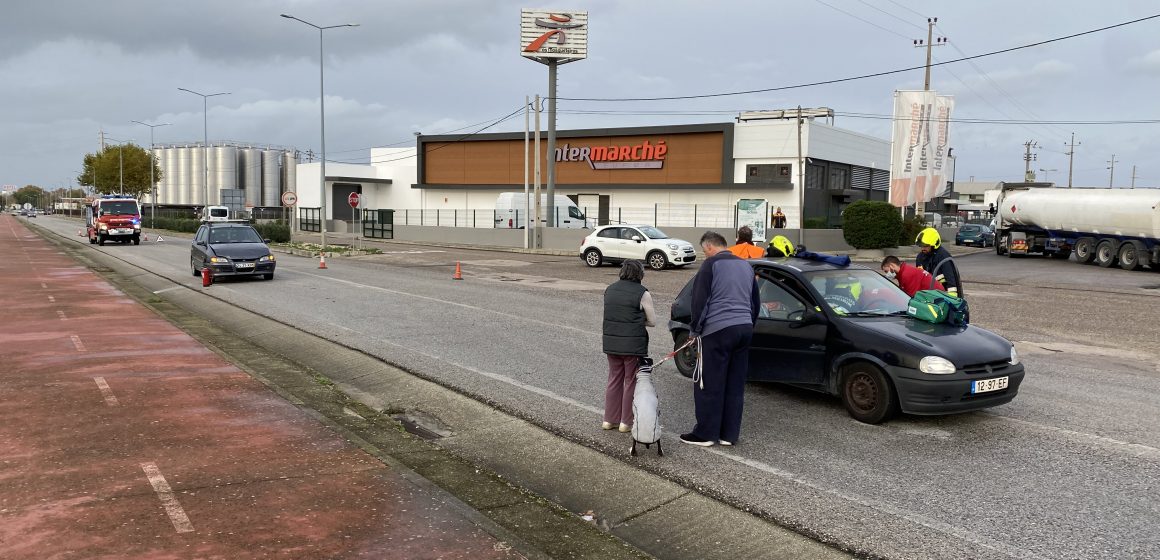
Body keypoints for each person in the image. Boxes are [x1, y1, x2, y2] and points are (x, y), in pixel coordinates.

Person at [681, 231, 760, 447]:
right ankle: (728, 434)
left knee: (709, 382)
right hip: (744, 328)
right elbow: (755, 302)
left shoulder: (710, 265)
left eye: (704, 252)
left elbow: (700, 301)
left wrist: (694, 331)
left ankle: (706, 434)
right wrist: (748, 324)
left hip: (717, 330)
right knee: (735, 384)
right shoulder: (746, 265)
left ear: (708, 247)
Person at [601, 260, 656, 433]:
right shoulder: (642, 293)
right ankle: (626, 422)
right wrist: (638, 321)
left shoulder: (609, 290)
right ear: (640, 274)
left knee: (614, 379)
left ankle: (609, 420)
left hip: (611, 342)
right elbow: (652, 321)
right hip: (632, 345)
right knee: (630, 381)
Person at [914, 227, 962, 298]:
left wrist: (952, 301)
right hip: (928, 295)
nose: (923, 248)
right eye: (921, 246)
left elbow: (951, 282)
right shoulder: (920, 257)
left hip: (943, 294)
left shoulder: (944, 257)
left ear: (934, 245)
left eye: (926, 246)